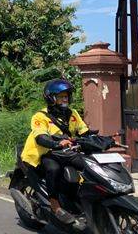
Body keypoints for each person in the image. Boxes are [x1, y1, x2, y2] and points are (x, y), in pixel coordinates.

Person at [20, 78, 91, 224]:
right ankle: (54, 204)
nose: (65, 99)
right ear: (51, 98)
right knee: (54, 169)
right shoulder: (40, 116)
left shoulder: (73, 114)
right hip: (44, 153)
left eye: (66, 96)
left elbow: (85, 132)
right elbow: (41, 138)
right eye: (61, 97)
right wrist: (58, 144)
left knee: (88, 165)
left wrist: (105, 139)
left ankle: (78, 200)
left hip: (65, 152)